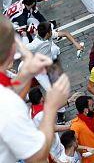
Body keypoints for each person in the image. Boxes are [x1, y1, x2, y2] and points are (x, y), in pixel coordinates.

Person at [0, 14, 70, 162]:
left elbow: (11, 90)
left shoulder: (6, 87)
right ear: (13, 50)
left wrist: (26, 72)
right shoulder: (9, 106)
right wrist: (51, 107)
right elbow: (37, 156)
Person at [29, 87, 75, 161]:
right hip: (53, 150)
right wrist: (71, 126)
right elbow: (53, 128)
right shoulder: (41, 115)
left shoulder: (33, 109)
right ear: (41, 99)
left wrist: (68, 101)